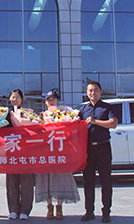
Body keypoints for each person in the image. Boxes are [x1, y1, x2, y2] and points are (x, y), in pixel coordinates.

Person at [35, 90, 79, 220]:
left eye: (53, 99)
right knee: (46, 178)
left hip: (61, 151)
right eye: (49, 100)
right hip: (46, 151)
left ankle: (59, 206)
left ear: (58, 101)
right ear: (45, 102)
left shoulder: (64, 114)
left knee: (61, 177)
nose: (51, 102)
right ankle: (49, 206)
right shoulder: (41, 116)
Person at [78, 81, 118, 223]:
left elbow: (113, 123)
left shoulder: (107, 107)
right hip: (88, 149)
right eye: (90, 90)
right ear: (86, 93)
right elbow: (75, 125)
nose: (93, 93)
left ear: (101, 92)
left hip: (103, 147)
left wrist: (96, 122)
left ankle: (106, 212)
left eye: (95, 90)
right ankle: (89, 211)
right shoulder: (83, 109)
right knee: (88, 182)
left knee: (106, 181)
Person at [5, 89, 34, 220]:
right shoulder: (5, 114)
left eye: (17, 97)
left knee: (27, 182)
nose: (15, 100)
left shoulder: (27, 114)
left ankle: (25, 211)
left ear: (22, 99)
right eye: (13, 97)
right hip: (11, 151)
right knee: (12, 181)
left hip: (26, 152)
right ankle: (13, 209)